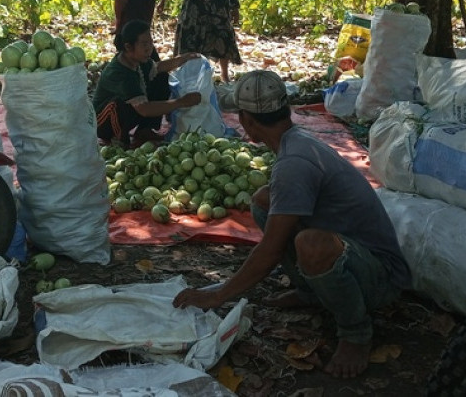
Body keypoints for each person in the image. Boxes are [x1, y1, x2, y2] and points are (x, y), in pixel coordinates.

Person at [172, 70, 412, 379]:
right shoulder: (296, 142)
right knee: (264, 200)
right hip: (355, 252)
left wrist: (219, 294)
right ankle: (311, 291)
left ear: (246, 120)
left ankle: (355, 333)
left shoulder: (294, 162)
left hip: (381, 278)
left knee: (310, 244)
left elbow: (270, 251)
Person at [93, 19, 202, 148]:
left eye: (150, 43)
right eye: (144, 44)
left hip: (131, 113)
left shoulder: (137, 61)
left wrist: (184, 58)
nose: (149, 48)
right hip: (104, 123)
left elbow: (159, 67)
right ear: (128, 47)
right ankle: (120, 141)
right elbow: (144, 109)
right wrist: (181, 102)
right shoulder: (119, 73)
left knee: (161, 78)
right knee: (119, 105)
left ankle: (145, 129)